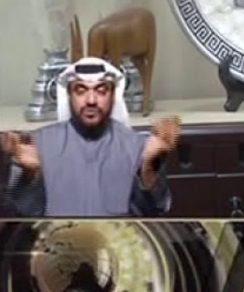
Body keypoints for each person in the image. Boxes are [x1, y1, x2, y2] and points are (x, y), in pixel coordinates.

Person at [2, 57, 180, 217]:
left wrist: (149, 168)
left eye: (101, 91)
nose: (91, 100)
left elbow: (155, 211)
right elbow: (18, 213)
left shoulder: (136, 146)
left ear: (113, 96)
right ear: (69, 95)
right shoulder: (40, 144)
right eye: (81, 90)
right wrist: (30, 175)